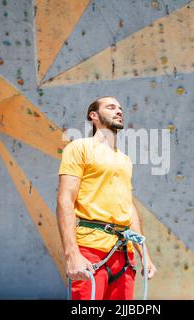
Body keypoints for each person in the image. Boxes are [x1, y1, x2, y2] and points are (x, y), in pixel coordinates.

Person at [56, 96, 156, 300]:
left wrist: (143, 253)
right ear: (94, 115)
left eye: (120, 108)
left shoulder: (125, 160)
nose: (119, 111)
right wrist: (71, 254)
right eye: (111, 107)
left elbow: (128, 207)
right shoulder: (78, 148)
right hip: (90, 250)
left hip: (123, 254)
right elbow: (65, 199)